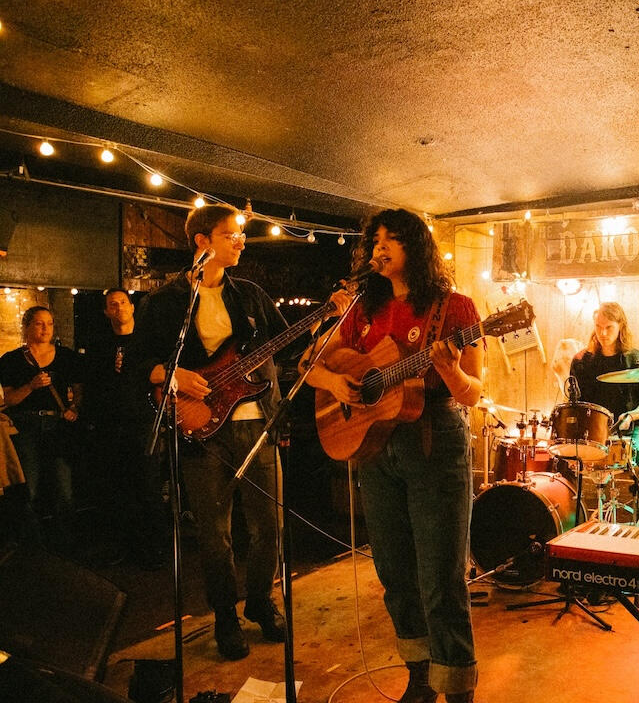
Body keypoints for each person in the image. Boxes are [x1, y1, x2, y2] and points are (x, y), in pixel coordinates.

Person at [304, 208, 482, 703]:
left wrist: (447, 370)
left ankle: (457, 687)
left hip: (435, 439)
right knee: (395, 572)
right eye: (374, 239)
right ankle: (420, 678)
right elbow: (309, 366)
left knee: (441, 575)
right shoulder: (362, 308)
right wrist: (338, 381)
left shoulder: (456, 308)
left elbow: (471, 393)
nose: (379, 247)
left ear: (417, 248)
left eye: (392, 239)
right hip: (374, 447)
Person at [132, 204, 289, 661]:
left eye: (241, 235)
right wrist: (174, 375)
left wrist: (328, 319)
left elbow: (285, 342)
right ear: (202, 241)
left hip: (256, 424)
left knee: (269, 528)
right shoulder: (164, 303)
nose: (241, 240)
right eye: (231, 234)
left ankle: (260, 600)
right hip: (199, 430)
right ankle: (225, 614)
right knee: (214, 535)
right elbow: (140, 363)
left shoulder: (251, 295)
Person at [85, 289, 165, 569]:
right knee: (119, 489)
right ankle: (127, 548)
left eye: (122, 303)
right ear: (106, 312)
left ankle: (155, 550)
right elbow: (92, 384)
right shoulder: (99, 345)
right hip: (111, 424)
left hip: (144, 421)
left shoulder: (147, 342)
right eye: (112, 305)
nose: (118, 308)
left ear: (132, 307)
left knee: (148, 486)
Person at [0, 306, 83, 552]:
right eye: (39, 323)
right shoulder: (11, 360)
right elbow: (10, 399)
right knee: (29, 489)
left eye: (49, 323)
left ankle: (65, 546)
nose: (45, 328)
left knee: (63, 488)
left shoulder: (67, 357)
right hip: (26, 426)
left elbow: (79, 392)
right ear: (26, 327)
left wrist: (75, 408)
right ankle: (32, 547)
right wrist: (31, 386)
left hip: (57, 426)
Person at [568, 302, 639, 518]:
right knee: (563, 458)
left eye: (609, 327)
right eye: (598, 327)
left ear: (621, 327)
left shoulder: (638, 361)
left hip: (630, 431)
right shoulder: (582, 361)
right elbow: (574, 405)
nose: (603, 333)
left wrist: (631, 415)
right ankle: (572, 516)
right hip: (593, 433)